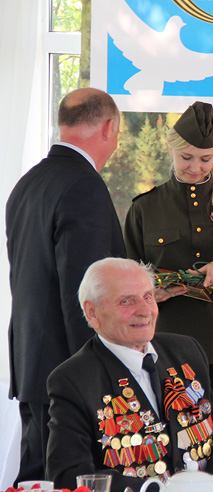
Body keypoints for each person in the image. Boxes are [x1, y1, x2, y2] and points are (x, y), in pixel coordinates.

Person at [6, 87, 126, 483]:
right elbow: (85, 295)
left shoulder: (28, 183)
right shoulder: (83, 187)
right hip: (69, 375)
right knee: (72, 483)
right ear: (109, 127)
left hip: (32, 365)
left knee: (37, 480)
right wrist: (97, 376)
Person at [46, 258, 213, 490]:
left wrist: (209, 487)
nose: (145, 311)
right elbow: (69, 474)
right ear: (92, 312)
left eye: (148, 297)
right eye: (126, 301)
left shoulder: (186, 352)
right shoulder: (73, 380)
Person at [124, 101, 213, 398]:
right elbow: (125, 280)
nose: (195, 167)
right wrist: (149, 294)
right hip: (163, 346)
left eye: (206, 159)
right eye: (186, 157)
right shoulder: (144, 209)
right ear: (171, 150)